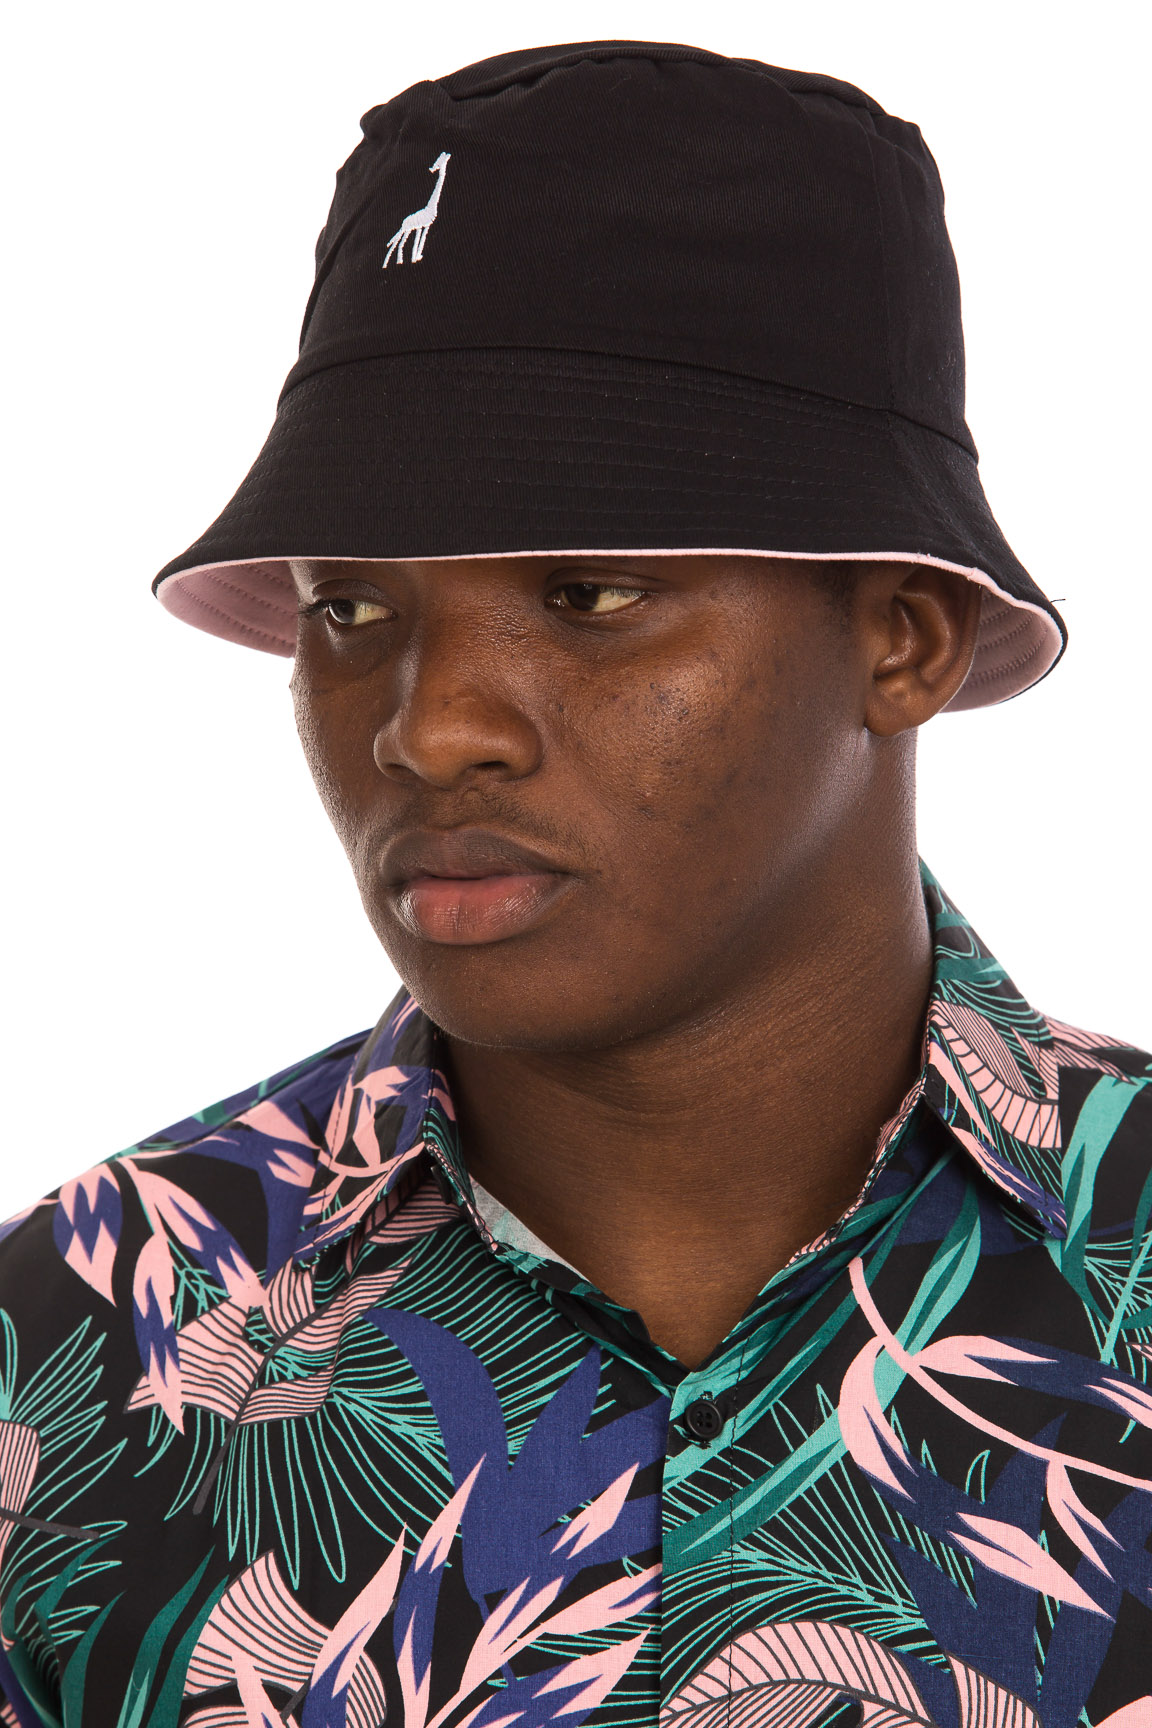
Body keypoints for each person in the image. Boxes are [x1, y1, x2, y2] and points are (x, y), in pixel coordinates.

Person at [0, 38, 1148, 1727]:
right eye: (350, 608)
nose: (428, 728)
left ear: (903, 639)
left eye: (589, 593)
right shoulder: (73, 1344)